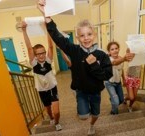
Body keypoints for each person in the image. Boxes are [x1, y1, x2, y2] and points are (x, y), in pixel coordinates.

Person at [37, 1, 113, 135]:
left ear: (94, 35)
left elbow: (107, 75)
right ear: (77, 37)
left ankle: (92, 125)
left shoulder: (102, 55)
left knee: (95, 114)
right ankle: (80, 102)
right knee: (83, 116)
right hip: (81, 91)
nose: (86, 38)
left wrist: (94, 64)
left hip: (96, 92)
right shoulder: (74, 50)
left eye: (89, 34)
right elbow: (59, 39)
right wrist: (47, 16)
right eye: (82, 35)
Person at [21, 21, 62, 131]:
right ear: (35, 55)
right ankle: (51, 117)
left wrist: (47, 29)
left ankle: (57, 122)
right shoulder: (34, 63)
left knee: (57, 110)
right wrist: (24, 30)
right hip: (42, 90)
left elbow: (50, 46)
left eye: (43, 52)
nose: (42, 55)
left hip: (52, 88)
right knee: (48, 109)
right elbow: (29, 48)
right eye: (39, 54)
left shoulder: (48, 60)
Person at [105, 41, 134, 115]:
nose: (115, 50)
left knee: (121, 100)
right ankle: (114, 111)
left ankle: (113, 99)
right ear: (109, 51)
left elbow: (121, 69)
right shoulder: (107, 59)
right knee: (116, 102)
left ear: (118, 49)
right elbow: (114, 62)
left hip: (118, 83)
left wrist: (124, 79)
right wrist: (124, 59)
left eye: (116, 48)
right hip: (109, 83)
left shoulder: (121, 58)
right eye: (112, 49)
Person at [124, 48, 141, 112]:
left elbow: (139, 70)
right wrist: (130, 52)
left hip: (137, 79)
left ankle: (130, 106)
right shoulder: (130, 56)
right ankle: (125, 98)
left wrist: (139, 79)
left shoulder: (140, 57)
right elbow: (127, 54)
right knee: (131, 97)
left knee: (135, 97)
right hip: (130, 79)